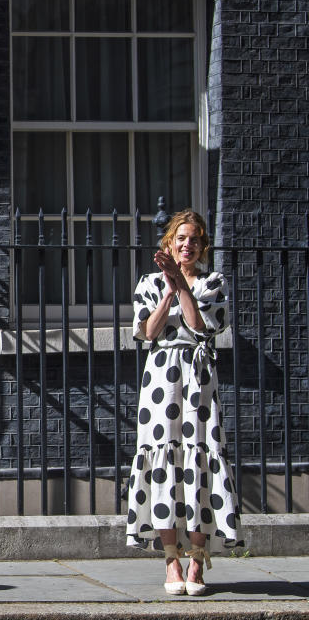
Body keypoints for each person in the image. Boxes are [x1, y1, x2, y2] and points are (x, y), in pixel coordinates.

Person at [126, 209, 241, 596]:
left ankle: (197, 561)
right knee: (162, 464)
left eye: (194, 239)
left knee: (199, 461)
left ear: (202, 245)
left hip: (197, 376)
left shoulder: (214, 283)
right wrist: (170, 289)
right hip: (160, 378)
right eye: (180, 238)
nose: (187, 244)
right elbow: (148, 331)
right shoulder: (148, 283)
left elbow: (201, 327)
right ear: (169, 243)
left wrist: (184, 288)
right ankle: (171, 561)